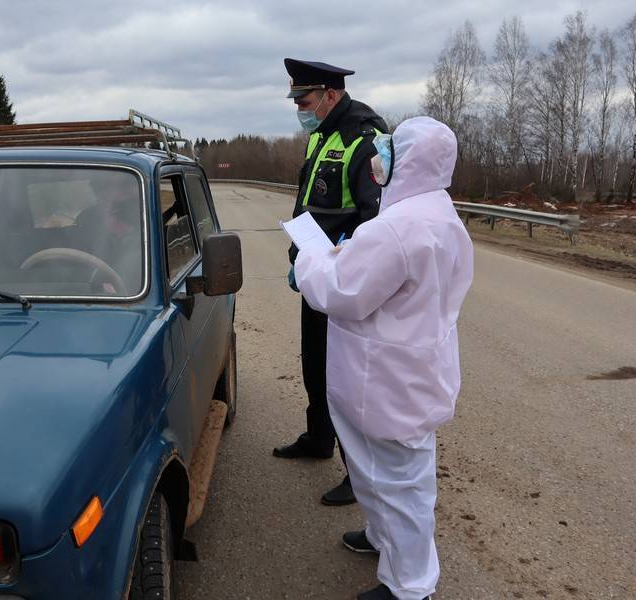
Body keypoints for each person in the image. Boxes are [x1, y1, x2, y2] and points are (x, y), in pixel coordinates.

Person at [293, 116, 474, 600]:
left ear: (411, 158)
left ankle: (410, 586)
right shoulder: (437, 214)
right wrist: (351, 254)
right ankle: (382, 540)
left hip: (389, 380)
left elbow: (340, 290)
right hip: (406, 372)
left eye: (392, 148)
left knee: (402, 486)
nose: (382, 155)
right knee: (378, 472)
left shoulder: (400, 226)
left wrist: (310, 260)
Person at [273, 58, 388, 507]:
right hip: (316, 272)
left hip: (343, 279)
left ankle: (357, 474)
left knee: (344, 380)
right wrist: (300, 256)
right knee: (314, 365)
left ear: (330, 95)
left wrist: (340, 257)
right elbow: (311, 202)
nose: (299, 108)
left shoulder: (365, 138)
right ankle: (318, 438)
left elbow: (375, 219)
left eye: (304, 100)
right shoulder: (320, 135)